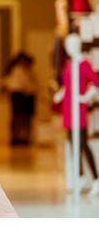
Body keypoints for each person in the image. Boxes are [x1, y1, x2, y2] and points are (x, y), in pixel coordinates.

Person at [54, 38, 99, 196]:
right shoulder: (68, 64)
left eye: (71, 44)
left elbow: (96, 82)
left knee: (83, 144)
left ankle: (95, 178)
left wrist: (86, 97)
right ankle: (79, 177)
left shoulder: (84, 64)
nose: (69, 47)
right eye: (67, 45)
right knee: (73, 146)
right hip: (67, 109)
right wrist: (60, 94)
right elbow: (67, 85)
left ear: (78, 45)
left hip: (78, 110)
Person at [4, 51, 37, 145]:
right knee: (19, 117)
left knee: (21, 117)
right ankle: (17, 137)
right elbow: (26, 85)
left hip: (21, 95)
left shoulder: (19, 70)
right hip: (19, 95)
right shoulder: (18, 69)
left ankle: (21, 137)